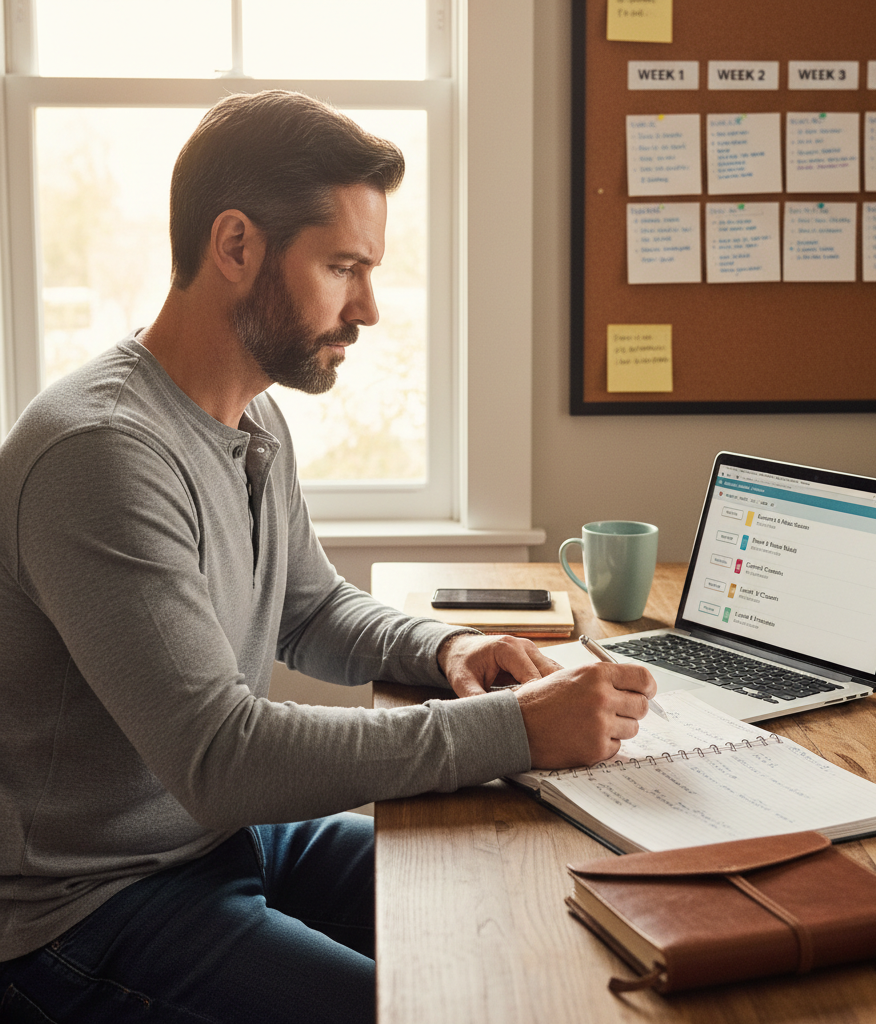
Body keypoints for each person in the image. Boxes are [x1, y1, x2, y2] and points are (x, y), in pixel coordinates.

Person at [0, 90, 656, 1023]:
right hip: (91, 910)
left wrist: (446, 650)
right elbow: (222, 756)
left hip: (221, 839)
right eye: (344, 266)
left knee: (526, 912)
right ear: (236, 246)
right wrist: (519, 728)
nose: (371, 308)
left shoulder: (250, 411)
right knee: (433, 1010)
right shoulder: (100, 454)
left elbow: (308, 607)